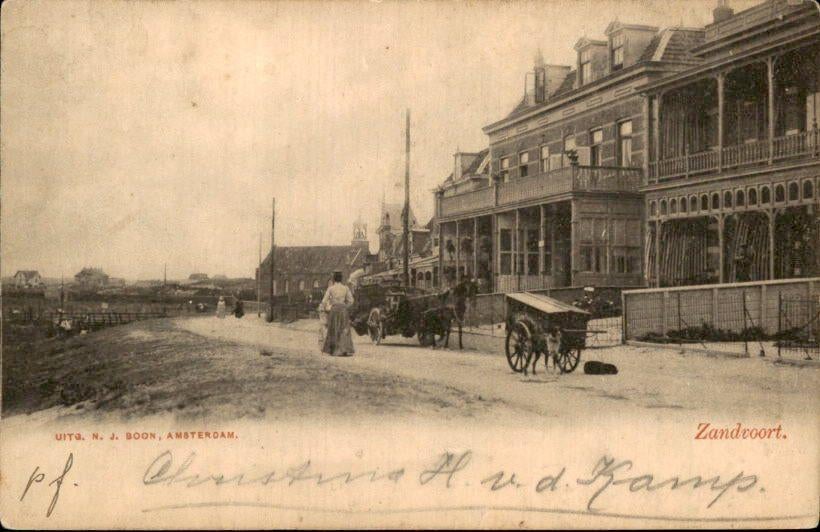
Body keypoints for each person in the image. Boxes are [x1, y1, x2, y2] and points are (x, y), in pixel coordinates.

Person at [320, 271, 355, 356]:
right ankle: (344, 349)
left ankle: (334, 350)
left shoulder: (331, 288)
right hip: (343, 310)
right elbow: (351, 301)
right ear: (341, 279)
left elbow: (324, 301)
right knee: (344, 329)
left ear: (334, 279)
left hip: (334, 310)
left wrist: (325, 308)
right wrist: (345, 306)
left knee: (334, 328)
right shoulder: (345, 288)